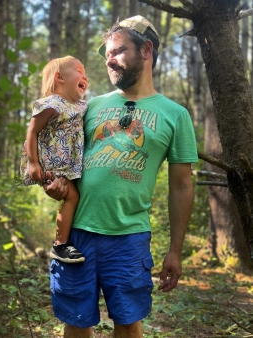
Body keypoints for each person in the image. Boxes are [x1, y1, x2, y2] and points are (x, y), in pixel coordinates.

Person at [44, 15, 198, 338]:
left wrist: (175, 249)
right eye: (107, 54)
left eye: (117, 51)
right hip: (78, 235)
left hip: (129, 238)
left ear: (146, 50)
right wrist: (55, 182)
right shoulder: (90, 107)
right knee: (75, 320)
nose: (108, 59)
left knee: (128, 323)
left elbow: (182, 185)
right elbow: (63, 156)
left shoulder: (175, 115)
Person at [20, 55, 88, 263]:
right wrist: (33, 163)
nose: (84, 76)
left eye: (85, 73)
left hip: (68, 167)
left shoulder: (80, 106)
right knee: (72, 197)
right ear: (59, 77)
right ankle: (60, 245)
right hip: (51, 167)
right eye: (79, 71)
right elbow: (32, 133)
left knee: (74, 196)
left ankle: (63, 243)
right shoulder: (50, 104)